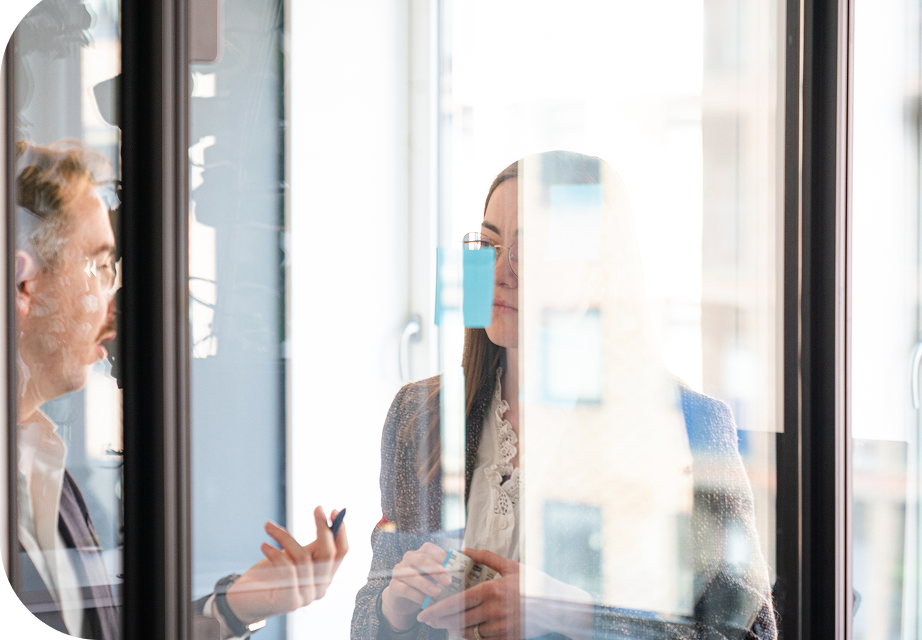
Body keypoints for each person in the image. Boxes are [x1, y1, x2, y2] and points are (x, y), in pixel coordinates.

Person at [352, 151, 777, 640]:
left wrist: (579, 618)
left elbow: (752, 633)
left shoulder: (686, 424)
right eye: (488, 245)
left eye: (530, 251)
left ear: (600, 274)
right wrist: (393, 609)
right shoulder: (418, 414)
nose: (499, 271)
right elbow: (366, 619)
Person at [13, 140, 349, 640]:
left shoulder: (44, 466)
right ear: (23, 284)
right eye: (99, 267)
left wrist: (232, 607)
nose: (113, 301)